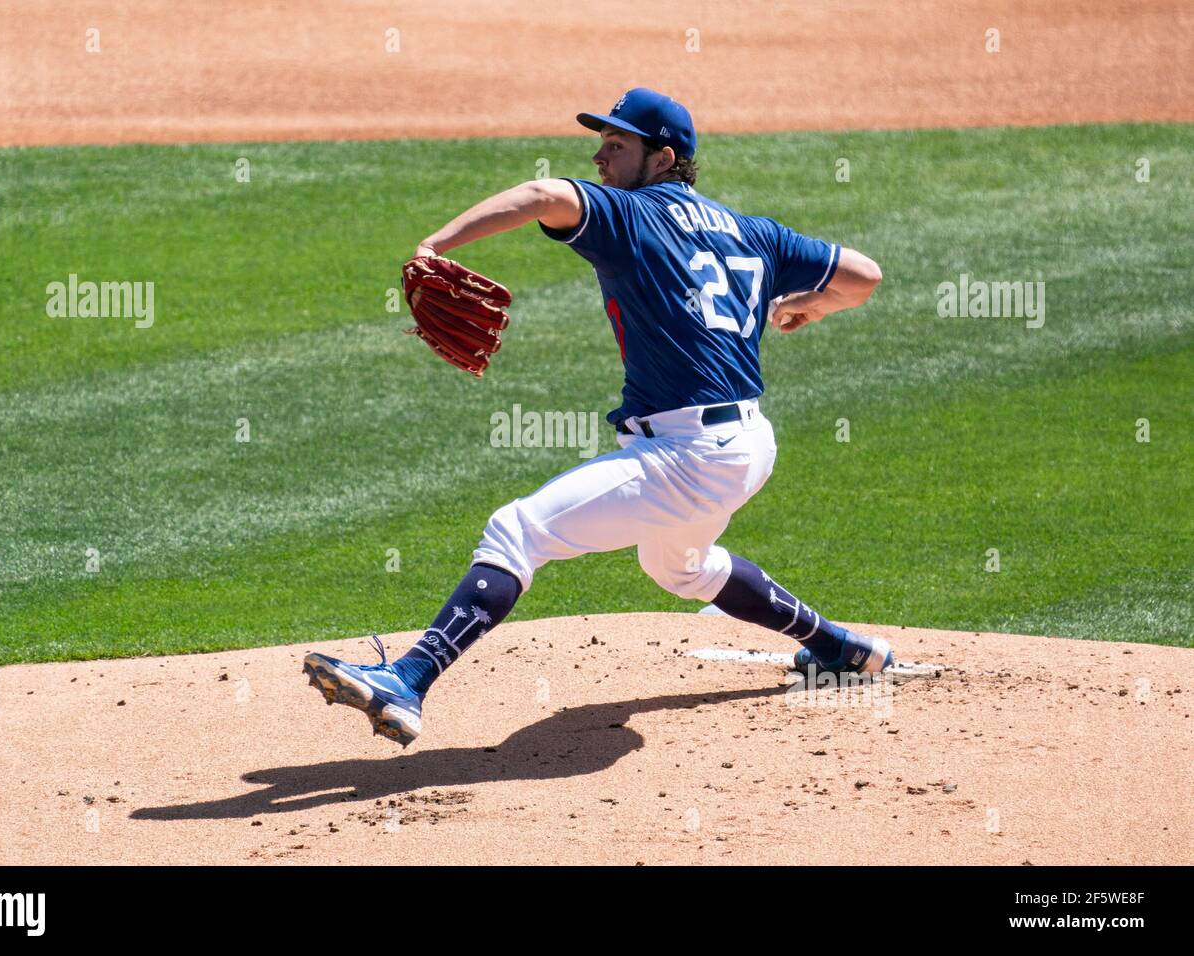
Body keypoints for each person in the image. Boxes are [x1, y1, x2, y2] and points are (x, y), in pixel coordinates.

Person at [304, 87, 889, 747]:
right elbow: (863, 275)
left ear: (662, 157)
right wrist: (813, 306)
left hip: (687, 456)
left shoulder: (633, 216)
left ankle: (407, 680)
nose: (600, 156)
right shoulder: (755, 232)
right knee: (681, 567)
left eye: (617, 145)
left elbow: (542, 195)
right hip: (748, 445)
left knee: (517, 531)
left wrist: (437, 243)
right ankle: (841, 649)